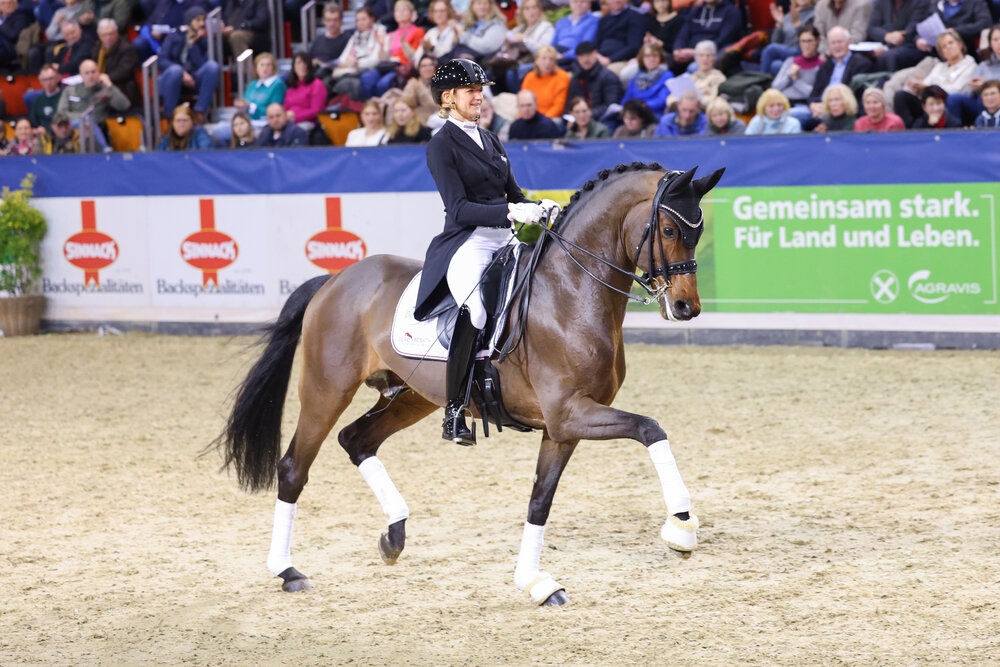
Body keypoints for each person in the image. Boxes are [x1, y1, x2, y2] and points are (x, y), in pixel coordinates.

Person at [414, 58, 554, 446]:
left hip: (506, 238)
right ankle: (454, 411)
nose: (479, 97)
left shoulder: (491, 140)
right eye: (471, 91)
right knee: (475, 310)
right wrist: (510, 211)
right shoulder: (441, 145)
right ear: (448, 98)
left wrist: (538, 206)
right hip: (469, 241)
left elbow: (515, 195)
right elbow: (458, 209)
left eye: (480, 90)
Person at [892, 29, 976, 127]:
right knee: (901, 96)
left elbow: (956, 90)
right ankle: (908, 133)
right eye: (944, 46)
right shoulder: (939, 67)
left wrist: (926, 87)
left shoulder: (971, 65)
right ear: (942, 53)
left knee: (951, 99)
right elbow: (927, 85)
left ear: (960, 44)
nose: (948, 47)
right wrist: (917, 87)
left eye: (951, 43)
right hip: (930, 104)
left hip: (949, 104)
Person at [158, 8, 222, 121]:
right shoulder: (174, 35)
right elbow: (162, 60)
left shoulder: (205, 40)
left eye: (203, 20)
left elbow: (202, 64)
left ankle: (199, 111)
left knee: (212, 67)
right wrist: (182, 73)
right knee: (175, 70)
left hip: (194, 78)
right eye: (198, 20)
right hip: (173, 78)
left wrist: (193, 45)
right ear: (189, 21)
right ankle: (171, 116)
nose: (201, 23)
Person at [802, 26, 871, 127]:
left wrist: (830, 106)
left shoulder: (860, 63)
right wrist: (813, 106)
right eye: (833, 43)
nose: (837, 46)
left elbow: (856, 96)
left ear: (849, 42)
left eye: (840, 42)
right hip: (821, 108)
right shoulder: (825, 66)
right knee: (796, 116)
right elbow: (814, 94)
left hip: (844, 111)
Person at [56, 58, 130, 150]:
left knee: (90, 123)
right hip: (74, 128)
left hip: (99, 127)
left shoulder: (105, 89)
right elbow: (61, 113)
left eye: (93, 72)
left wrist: (110, 85)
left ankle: (104, 149)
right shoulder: (70, 90)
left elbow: (124, 105)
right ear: (81, 75)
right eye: (87, 73)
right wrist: (83, 119)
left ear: (99, 73)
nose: (91, 76)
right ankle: (105, 149)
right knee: (84, 121)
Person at [361, 1, 425, 98]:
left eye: (404, 9)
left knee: (383, 84)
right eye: (397, 10)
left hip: (402, 68)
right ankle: (370, 105)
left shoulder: (418, 31)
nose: (400, 12)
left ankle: (382, 106)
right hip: (388, 66)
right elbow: (383, 59)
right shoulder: (391, 34)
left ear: (411, 13)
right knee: (366, 77)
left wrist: (404, 44)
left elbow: (415, 58)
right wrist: (381, 45)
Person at [947, 25, 1000, 126]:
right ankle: (955, 131)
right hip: (982, 103)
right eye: (995, 40)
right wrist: (975, 88)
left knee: (987, 96)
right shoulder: (983, 66)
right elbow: (970, 93)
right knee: (954, 98)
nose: (999, 43)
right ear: (990, 44)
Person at [333, 7, 388, 100]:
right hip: (352, 69)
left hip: (371, 68)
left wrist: (356, 63)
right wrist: (345, 63)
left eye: (363, 19)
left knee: (364, 79)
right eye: (357, 20)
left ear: (372, 19)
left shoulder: (379, 32)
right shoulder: (355, 36)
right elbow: (343, 58)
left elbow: (376, 60)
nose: (360, 23)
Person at [564, 40, 624, 121]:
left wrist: (587, 115)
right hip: (580, 120)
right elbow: (569, 105)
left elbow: (611, 106)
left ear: (595, 54)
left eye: (588, 55)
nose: (585, 59)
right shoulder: (576, 78)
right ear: (578, 58)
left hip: (603, 120)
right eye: (581, 56)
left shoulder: (608, 77)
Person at [671, 0, 742, 68]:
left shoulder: (731, 12)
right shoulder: (695, 11)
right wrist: (678, 49)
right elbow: (683, 34)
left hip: (711, 55)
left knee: (693, 67)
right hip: (689, 53)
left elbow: (725, 39)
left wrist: (698, 52)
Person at [867, 0, 927, 72]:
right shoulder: (881, 2)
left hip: (910, 45)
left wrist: (887, 48)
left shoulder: (920, 2)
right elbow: (872, 28)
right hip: (882, 43)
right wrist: (886, 36)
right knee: (861, 58)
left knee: (889, 57)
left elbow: (911, 31)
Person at [760, 0, 816, 77]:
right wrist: (779, 24)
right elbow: (775, 42)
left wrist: (797, 23)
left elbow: (807, 39)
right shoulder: (787, 16)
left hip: (801, 51)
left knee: (771, 49)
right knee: (775, 65)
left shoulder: (814, 14)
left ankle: (761, 79)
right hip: (786, 53)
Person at [94, 18, 139, 108]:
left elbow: (123, 71)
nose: (108, 37)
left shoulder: (126, 49)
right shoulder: (97, 48)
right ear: (99, 36)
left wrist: (105, 79)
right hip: (101, 84)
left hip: (121, 87)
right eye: (104, 35)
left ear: (117, 33)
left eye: (111, 34)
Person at [773, 26, 823, 106]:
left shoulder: (821, 65)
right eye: (803, 41)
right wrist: (789, 75)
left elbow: (815, 94)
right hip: (782, 101)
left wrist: (796, 80)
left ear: (817, 41)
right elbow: (775, 87)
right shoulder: (790, 61)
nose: (806, 45)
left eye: (809, 41)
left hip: (803, 103)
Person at [621, 44, 674, 117]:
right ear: (642, 59)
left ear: (660, 58)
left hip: (653, 114)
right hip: (633, 112)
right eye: (647, 56)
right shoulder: (637, 75)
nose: (651, 59)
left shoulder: (667, 75)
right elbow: (627, 97)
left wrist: (640, 107)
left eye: (655, 56)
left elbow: (661, 101)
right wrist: (625, 107)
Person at [234, 52, 287, 123]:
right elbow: (245, 104)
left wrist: (250, 107)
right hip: (248, 121)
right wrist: (241, 106)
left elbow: (274, 111)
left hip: (267, 122)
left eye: (268, 65)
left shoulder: (278, 84)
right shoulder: (252, 84)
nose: (265, 68)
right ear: (256, 68)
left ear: (273, 68)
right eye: (262, 65)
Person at [594, 0, 645, 73]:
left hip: (622, 60)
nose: (616, 1)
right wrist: (599, 57)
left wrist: (610, 60)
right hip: (601, 59)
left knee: (606, 74)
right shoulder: (603, 20)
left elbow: (634, 46)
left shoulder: (635, 17)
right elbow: (596, 44)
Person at [519, 46, 570, 118]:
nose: (548, 62)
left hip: (551, 118)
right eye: (544, 58)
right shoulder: (530, 77)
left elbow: (559, 106)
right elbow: (522, 101)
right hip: (530, 117)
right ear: (536, 60)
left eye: (551, 59)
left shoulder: (562, 76)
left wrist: (543, 121)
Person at [285, 52, 328, 132]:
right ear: (293, 67)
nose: (302, 66)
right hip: (289, 122)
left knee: (292, 132)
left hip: (308, 122)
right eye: (298, 63)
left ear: (309, 66)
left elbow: (316, 110)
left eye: (305, 63)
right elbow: (285, 108)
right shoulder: (291, 88)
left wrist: (295, 117)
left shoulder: (317, 84)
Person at [310, 3, 353, 80]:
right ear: (324, 21)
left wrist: (323, 64)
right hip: (314, 73)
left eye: (335, 20)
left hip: (333, 76)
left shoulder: (348, 39)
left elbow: (344, 62)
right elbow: (310, 59)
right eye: (329, 20)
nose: (332, 24)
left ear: (341, 20)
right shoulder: (318, 40)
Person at [27, 64, 64, 132]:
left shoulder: (65, 95)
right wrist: (37, 130)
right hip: (44, 136)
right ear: (40, 81)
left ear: (58, 78)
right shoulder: (37, 101)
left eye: (51, 78)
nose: (48, 83)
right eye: (45, 80)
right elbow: (33, 124)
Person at [0, 0, 32, 69]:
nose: (7, 5)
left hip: (8, 48)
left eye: (10, 3)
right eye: (3, 3)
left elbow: (13, 35)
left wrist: (1, 24)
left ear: (16, 5)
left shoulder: (21, 18)